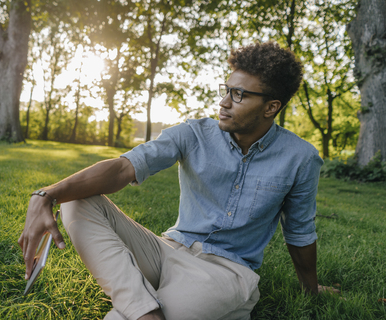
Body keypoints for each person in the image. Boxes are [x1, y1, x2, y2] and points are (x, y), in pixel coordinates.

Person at [18, 42, 338, 320]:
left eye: (239, 94)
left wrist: (310, 291)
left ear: (271, 107)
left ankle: (139, 306)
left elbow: (299, 231)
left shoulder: (300, 157)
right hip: (164, 250)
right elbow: (121, 169)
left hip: (225, 274)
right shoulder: (193, 133)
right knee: (77, 196)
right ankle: (141, 306)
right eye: (226, 90)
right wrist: (46, 194)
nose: (225, 102)